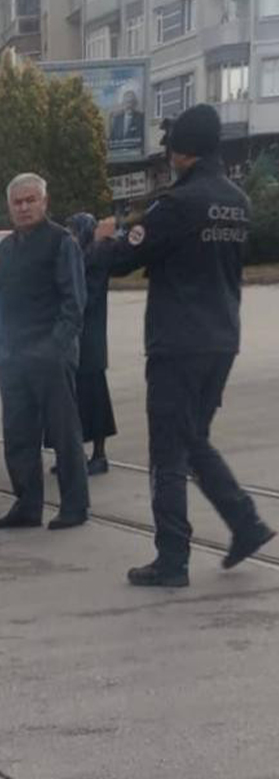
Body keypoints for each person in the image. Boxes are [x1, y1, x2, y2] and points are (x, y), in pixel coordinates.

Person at [93, 104, 274, 587]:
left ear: (180, 150)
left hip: (177, 343)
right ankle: (246, 523)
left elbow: (125, 258)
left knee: (168, 454)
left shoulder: (177, 204)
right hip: (221, 340)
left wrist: (100, 241)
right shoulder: (237, 201)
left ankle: (172, 557)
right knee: (193, 441)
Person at [0, 173, 91, 532]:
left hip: (51, 354)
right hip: (13, 356)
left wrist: (55, 348)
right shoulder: (6, 249)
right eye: (17, 202)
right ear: (9, 207)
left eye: (31, 200)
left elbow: (74, 303)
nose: (24, 207)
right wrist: (0, 346)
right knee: (19, 435)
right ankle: (27, 505)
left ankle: (75, 506)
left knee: (64, 434)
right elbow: (1, 301)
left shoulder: (62, 242)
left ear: (45, 202)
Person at [56, 213, 117, 475]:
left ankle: (99, 455)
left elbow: (84, 294)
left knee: (94, 399)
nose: (70, 237)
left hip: (90, 339)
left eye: (73, 231)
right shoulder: (78, 256)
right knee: (71, 400)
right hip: (73, 339)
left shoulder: (94, 257)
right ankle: (73, 454)